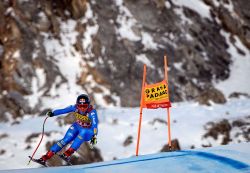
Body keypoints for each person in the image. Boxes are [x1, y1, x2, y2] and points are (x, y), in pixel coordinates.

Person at [36, 94, 98, 165]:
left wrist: (94, 136)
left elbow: (95, 125)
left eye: (84, 106)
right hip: (78, 126)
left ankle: (67, 154)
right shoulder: (74, 107)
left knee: (83, 133)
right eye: (80, 106)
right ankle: (45, 158)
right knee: (65, 140)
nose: (82, 108)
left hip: (88, 131)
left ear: (88, 105)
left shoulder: (92, 112)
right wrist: (53, 113)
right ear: (77, 105)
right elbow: (64, 110)